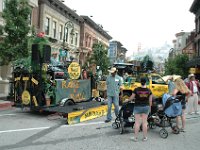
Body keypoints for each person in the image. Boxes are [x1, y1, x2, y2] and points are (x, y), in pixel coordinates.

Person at [125, 77, 152, 142]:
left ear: (140, 82)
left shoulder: (136, 90)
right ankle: (145, 137)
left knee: (137, 123)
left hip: (137, 107)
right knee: (144, 122)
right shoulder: (149, 90)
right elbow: (150, 101)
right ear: (146, 82)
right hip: (146, 107)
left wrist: (127, 100)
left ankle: (135, 138)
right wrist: (150, 108)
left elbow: (131, 98)